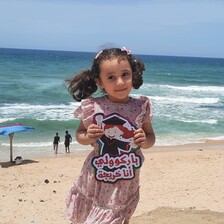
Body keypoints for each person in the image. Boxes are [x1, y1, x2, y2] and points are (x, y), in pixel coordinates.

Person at [65, 47, 155, 224]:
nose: (120, 82)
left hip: (126, 174)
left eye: (125, 74)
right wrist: (88, 136)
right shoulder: (93, 107)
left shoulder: (141, 106)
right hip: (97, 172)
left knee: (119, 214)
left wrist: (144, 141)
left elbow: (150, 137)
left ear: (133, 74)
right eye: (111, 77)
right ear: (100, 82)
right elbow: (80, 135)